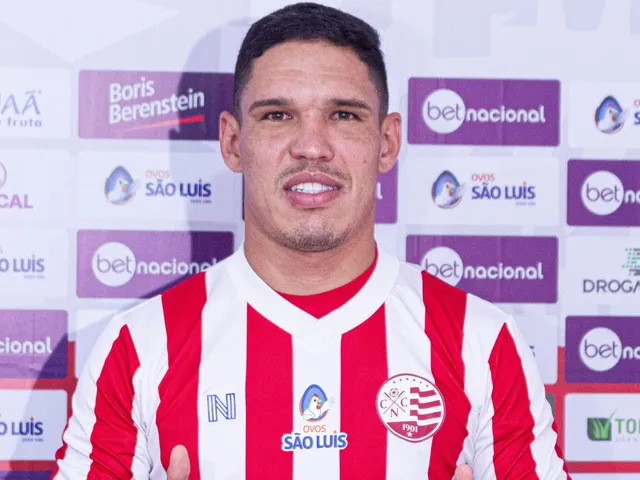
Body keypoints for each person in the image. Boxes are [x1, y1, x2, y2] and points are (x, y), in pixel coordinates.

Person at [51, 2, 570, 479]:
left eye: (344, 115)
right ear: (233, 142)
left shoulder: (482, 343)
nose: (312, 147)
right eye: (278, 115)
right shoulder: (140, 346)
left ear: (387, 142)